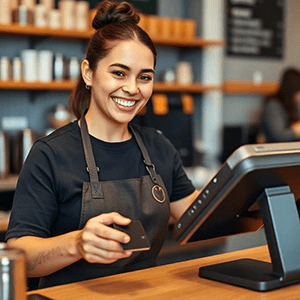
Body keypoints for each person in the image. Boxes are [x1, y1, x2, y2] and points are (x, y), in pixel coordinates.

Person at [5, 0, 199, 288]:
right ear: (88, 73)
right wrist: (78, 243)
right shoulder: (50, 154)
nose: (133, 89)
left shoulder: (159, 147)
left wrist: (253, 190)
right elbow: (20, 255)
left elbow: (200, 222)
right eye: (119, 73)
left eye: (144, 77)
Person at [259, 67, 300, 143]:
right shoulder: (273, 106)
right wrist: (296, 130)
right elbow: (278, 136)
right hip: (275, 152)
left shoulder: (293, 106)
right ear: (292, 90)